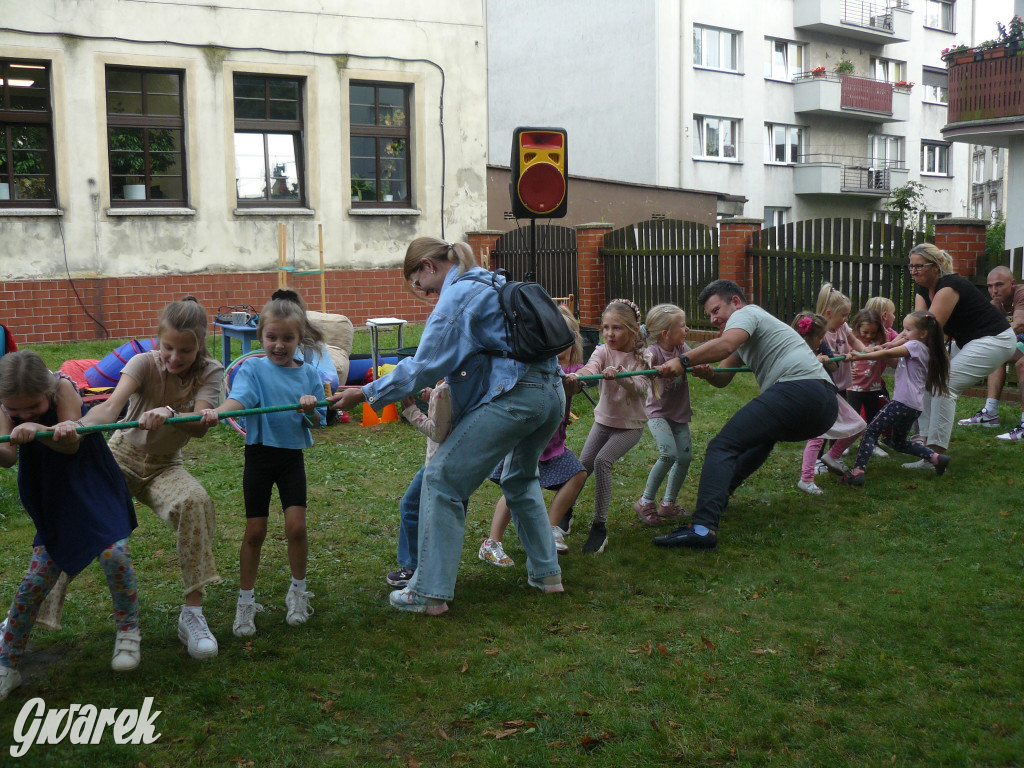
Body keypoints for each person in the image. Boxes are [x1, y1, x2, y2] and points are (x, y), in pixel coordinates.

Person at [330, 237, 565, 615]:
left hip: (516, 397)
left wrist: (365, 393)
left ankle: (430, 592)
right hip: (551, 393)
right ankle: (547, 574)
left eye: (423, 288)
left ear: (427, 265)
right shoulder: (493, 279)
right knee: (520, 479)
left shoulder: (459, 295)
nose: (428, 296)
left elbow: (424, 366)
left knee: (441, 480)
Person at [57, 297, 223, 660]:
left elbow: (199, 428)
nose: (175, 357)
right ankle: (23, 616)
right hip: (121, 457)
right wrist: (78, 427)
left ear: (200, 345)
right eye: (168, 347)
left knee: (195, 502)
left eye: (185, 350)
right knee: (74, 520)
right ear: (157, 340)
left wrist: (172, 414)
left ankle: (192, 615)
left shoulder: (210, 371)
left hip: (166, 465)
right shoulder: (143, 363)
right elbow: (111, 408)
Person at [652, 279, 838, 550]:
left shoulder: (747, 314)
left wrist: (683, 361)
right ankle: (719, 497)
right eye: (710, 315)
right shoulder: (744, 331)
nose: (714, 319)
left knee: (721, 445)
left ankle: (703, 527)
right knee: (762, 438)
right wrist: (709, 373)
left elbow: (725, 345)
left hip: (800, 390)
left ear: (736, 302)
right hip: (823, 405)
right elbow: (723, 378)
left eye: (717, 310)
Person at [0, 351, 140, 702]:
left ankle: (128, 631)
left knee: (114, 554)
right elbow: (7, 457)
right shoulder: (6, 403)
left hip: (90, 483)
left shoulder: (62, 387)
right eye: (16, 410)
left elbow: (71, 445)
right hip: (52, 494)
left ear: (46, 391)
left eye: (33, 406)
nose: (25, 414)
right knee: (35, 581)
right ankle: (7, 664)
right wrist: (11, 433)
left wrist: (37, 428)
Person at [200, 290, 325, 637]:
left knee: (296, 527)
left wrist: (311, 409)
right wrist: (217, 412)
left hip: (290, 459)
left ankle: (298, 593)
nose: (279, 345)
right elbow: (238, 401)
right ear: (261, 337)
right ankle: (245, 602)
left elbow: (320, 423)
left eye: (288, 338)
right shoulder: (253, 369)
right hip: (258, 456)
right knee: (254, 532)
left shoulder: (310, 376)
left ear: (300, 338)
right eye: (272, 337)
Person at [480, 305, 587, 560]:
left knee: (578, 474)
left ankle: (548, 529)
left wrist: (574, 384)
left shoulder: (573, 370)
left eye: (566, 338)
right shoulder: (530, 367)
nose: (560, 346)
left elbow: (577, 384)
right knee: (516, 488)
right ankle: (491, 542)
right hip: (524, 441)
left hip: (552, 445)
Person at [900, 244, 1016, 469]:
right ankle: (922, 441)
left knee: (944, 385)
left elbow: (929, 330)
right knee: (925, 379)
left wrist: (887, 348)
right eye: (911, 266)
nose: (913, 271)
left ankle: (935, 455)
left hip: (995, 339)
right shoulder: (924, 290)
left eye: (919, 266)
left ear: (934, 267)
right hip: (970, 341)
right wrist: (889, 344)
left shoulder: (950, 285)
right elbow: (915, 329)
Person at [565, 299, 650, 554]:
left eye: (617, 328)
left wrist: (621, 375)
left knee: (602, 462)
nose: (610, 334)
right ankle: (565, 512)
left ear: (633, 330)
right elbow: (590, 368)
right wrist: (576, 377)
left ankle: (599, 527)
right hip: (603, 421)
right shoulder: (602, 351)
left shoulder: (644, 356)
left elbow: (640, 387)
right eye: (606, 327)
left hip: (629, 426)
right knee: (582, 467)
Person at [839, 311, 952, 485]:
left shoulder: (914, 346)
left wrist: (861, 355)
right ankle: (935, 457)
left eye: (908, 329)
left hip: (902, 402)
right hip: (914, 406)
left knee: (870, 432)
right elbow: (893, 346)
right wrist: (884, 346)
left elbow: (888, 354)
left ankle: (857, 472)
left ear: (922, 334)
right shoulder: (925, 347)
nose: (904, 333)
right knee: (897, 442)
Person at [386, 380, 466, 587]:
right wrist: (433, 397)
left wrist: (410, 410)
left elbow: (437, 432)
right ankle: (443, 571)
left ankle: (412, 567)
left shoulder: (445, 389)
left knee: (411, 507)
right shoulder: (470, 381)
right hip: (465, 465)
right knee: (451, 517)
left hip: (439, 465)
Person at [633, 303, 694, 524]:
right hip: (657, 413)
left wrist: (701, 366)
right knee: (668, 454)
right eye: (683, 326)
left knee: (685, 456)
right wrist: (654, 369)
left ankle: (668, 503)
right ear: (666, 333)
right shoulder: (654, 352)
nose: (686, 329)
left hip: (679, 412)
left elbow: (694, 359)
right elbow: (643, 368)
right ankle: (645, 501)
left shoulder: (682, 348)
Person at [792, 312, 865, 495]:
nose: (823, 339)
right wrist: (814, 362)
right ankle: (806, 479)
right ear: (808, 337)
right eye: (820, 336)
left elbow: (834, 366)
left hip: (829, 392)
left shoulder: (822, 345)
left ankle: (832, 455)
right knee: (817, 436)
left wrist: (827, 360)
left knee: (860, 425)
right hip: (812, 395)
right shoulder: (794, 348)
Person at [956, 265, 1024, 441]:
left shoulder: (1021, 293)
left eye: (999, 285)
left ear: (1013, 283)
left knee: (1021, 364)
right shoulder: (995, 304)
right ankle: (990, 412)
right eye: (990, 286)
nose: (994, 290)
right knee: (995, 354)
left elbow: (1019, 324)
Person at [847, 307, 891, 455]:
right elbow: (843, 358)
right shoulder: (852, 341)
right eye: (865, 332)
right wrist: (847, 370)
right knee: (851, 417)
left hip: (873, 388)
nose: (868, 335)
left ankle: (872, 443)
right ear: (857, 326)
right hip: (853, 388)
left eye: (873, 332)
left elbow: (892, 341)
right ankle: (845, 443)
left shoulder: (879, 343)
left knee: (873, 419)